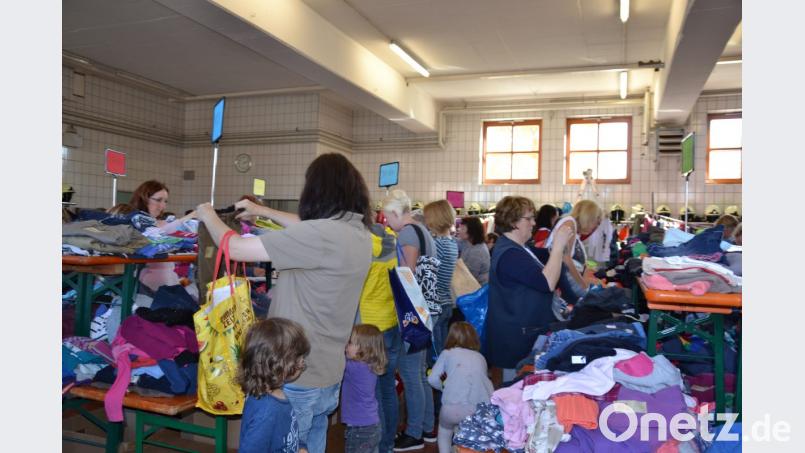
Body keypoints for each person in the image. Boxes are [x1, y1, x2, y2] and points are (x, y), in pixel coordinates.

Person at [195, 153, 373, 453]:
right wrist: (259, 210)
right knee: (311, 444)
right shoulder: (359, 233)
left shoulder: (319, 235)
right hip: (328, 374)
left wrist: (207, 215)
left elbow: (235, 248)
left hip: (295, 376)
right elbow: (308, 224)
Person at [486, 196, 574, 384]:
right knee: (516, 389)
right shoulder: (510, 254)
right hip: (516, 338)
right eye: (529, 218)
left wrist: (555, 251)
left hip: (522, 332)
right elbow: (547, 282)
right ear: (513, 222)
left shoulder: (519, 248)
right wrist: (558, 247)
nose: (534, 223)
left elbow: (542, 262)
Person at [382, 189, 437, 451]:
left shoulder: (406, 233)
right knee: (419, 373)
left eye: (386, 217)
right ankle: (427, 427)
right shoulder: (423, 230)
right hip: (427, 310)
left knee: (410, 373)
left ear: (395, 213)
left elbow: (408, 275)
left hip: (414, 312)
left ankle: (414, 433)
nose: (386, 223)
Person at [357, 223, 402, 453]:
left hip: (371, 328)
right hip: (392, 321)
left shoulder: (363, 246)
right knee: (388, 389)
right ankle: (388, 443)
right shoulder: (394, 240)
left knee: (373, 393)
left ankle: (379, 446)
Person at [238, 318, 310, 453]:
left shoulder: (276, 396)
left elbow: (286, 433)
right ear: (279, 365)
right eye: (299, 358)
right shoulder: (267, 411)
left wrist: (300, 447)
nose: (302, 362)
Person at [427, 322, 494, 453]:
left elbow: (432, 379)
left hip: (450, 409)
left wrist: (444, 387)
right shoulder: (481, 357)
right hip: (476, 409)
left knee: (445, 431)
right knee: (468, 436)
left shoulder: (447, 353)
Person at [128, 180, 195, 293]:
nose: (162, 206)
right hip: (147, 286)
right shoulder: (133, 221)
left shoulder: (159, 223)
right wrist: (186, 218)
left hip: (166, 282)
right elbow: (155, 236)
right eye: (158, 200)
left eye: (165, 201)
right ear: (144, 198)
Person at [342, 324, 388, 453]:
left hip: (360, 429)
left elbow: (336, 360)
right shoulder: (369, 364)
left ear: (364, 349)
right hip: (371, 425)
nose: (346, 345)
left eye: (350, 342)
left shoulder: (355, 367)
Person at [423, 200, 459, 360]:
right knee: (443, 347)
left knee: (435, 354)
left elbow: (426, 272)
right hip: (445, 302)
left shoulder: (437, 244)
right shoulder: (452, 242)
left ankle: (437, 382)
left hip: (435, 305)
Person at [546, 199, 603, 292]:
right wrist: (583, 285)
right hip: (559, 285)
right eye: (597, 222)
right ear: (589, 217)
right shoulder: (569, 223)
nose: (595, 227)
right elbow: (566, 260)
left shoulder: (573, 227)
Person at [457, 216, 490, 285]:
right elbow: (454, 241)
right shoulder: (466, 241)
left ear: (472, 231)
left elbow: (470, 275)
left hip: (478, 287)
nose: (459, 230)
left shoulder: (478, 251)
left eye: (462, 228)